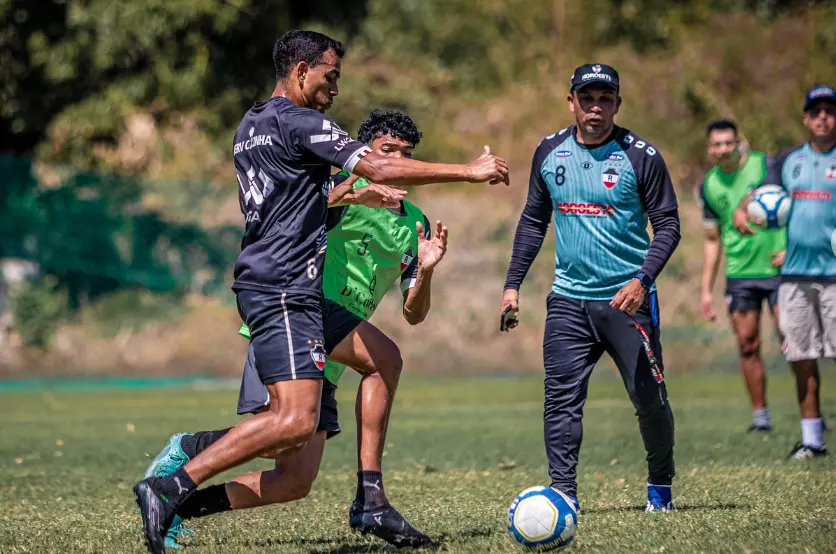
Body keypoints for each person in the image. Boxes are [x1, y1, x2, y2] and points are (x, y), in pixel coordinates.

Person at [133, 29, 509, 554]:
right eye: (330, 76)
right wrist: (469, 172)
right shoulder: (302, 121)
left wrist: (419, 266)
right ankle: (171, 485)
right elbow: (371, 166)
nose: (335, 87)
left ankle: (370, 498)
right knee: (290, 424)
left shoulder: (252, 123)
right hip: (284, 287)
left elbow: (297, 195)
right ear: (302, 69)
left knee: (362, 387)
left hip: (290, 287)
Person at [142, 110, 446, 550]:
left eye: (405, 154)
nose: (398, 160)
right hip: (298, 315)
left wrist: (427, 268)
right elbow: (293, 218)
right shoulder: (347, 189)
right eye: (387, 152)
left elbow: (414, 312)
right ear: (366, 154)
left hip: (336, 347)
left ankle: (177, 496)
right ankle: (371, 495)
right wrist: (349, 194)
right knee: (381, 362)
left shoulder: (414, 221)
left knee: (293, 479)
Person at [500, 63, 681, 512]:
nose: (595, 107)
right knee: (560, 400)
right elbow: (532, 221)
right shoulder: (549, 152)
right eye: (587, 98)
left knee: (649, 400)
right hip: (568, 301)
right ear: (571, 102)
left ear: (617, 103)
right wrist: (511, 286)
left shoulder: (642, 156)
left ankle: (660, 486)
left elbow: (669, 225)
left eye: (605, 99)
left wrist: (643, 280)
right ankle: (564, 494)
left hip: (628, 302)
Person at [734, 84, 836, 459]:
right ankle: (812, 440)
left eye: (830, 110)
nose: (823, 116)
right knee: (801, 358)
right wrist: (742, 210)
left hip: (835, 277)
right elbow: (759, 197)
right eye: (816, 111)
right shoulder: (788, 160)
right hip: (794, 278)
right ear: (806, 118)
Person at [699, 119, 786, 432]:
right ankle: (761, 419)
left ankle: (812, 417)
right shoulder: (708, 185)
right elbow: (711, 241)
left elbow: (799, 203)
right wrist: (706, 289)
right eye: (717, 144)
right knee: (748, 345)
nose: (723, 149)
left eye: (728, 143)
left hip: (779, 268)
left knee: (795, 341)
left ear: (739, 143)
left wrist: (794, 248)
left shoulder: (767, 166)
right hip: (739, 273)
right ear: (710, 149)